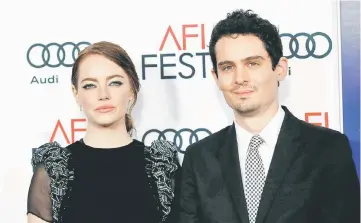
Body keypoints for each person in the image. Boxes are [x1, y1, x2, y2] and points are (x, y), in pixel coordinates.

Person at [178, 9, 360, 223]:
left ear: (280, 68)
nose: (240, 78)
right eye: (227, 67)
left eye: (252, 64)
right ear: (216, 77)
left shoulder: (327, 148)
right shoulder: (199, 158)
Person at [27, 41, 180, 223]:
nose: (103, 94)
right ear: (76, 94)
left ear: (131, 90)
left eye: (115, 83)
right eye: (90, 85)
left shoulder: (161, 166)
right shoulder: (54, 169)